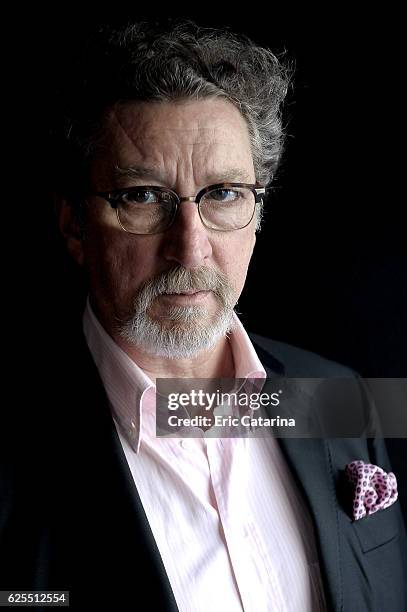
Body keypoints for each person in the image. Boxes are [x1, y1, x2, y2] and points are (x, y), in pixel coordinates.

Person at [1, 20, 406, 611]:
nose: (190, 248)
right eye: (141, 196)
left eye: (223, 194)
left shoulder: (341, 398)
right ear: (74, 225)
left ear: (258, 209)